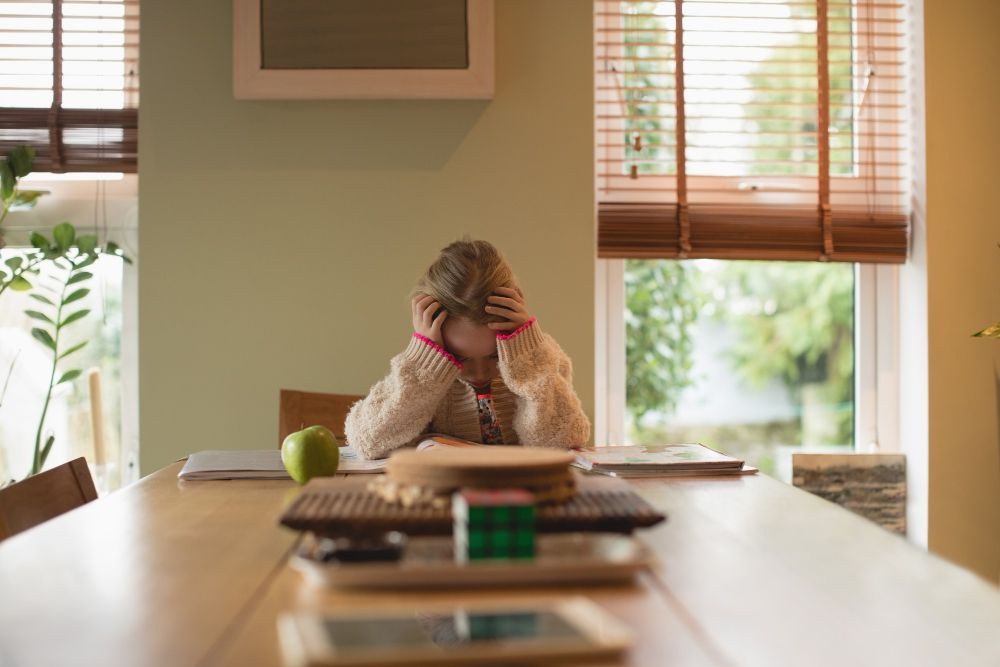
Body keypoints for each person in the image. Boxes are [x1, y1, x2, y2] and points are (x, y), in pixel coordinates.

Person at [345, 239, 591, 460]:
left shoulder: (539, 359)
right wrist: (423, 362)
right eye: (460, 357)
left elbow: (563, 442)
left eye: (495, 356)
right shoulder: (423, 373)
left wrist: (527, 356)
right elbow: (367, 442)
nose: (479, 373)